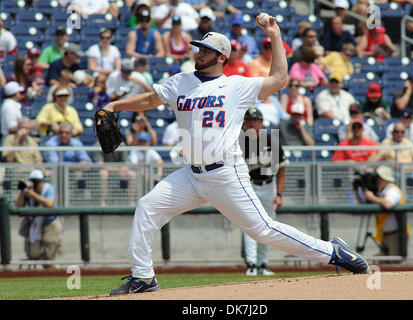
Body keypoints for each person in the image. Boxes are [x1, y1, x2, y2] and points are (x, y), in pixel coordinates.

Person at [102, 18, 368, 295]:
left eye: (205, 50)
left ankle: (334, 253)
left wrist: (275, 36)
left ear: (221, 57)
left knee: (263, 230)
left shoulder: (236, 87)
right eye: (198, 49)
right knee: (147, 207)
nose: (198, 53)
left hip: (225, 173)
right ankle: (143, 276)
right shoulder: (180, 82)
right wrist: (114, 106)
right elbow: (149, 100)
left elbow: (279, 79)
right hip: (191, 175)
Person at [240, 107, 288, 276]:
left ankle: (262, 264)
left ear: (261, 122)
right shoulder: (239, 141)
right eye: (249, 120)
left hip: (269, 186)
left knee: (269, 225)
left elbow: (282, 170)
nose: (252, 123)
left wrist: (279, 194)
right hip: (250, 186)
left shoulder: (271, 140)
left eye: (255, 120)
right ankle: (251, 264)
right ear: (244, 123)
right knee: (250, 224)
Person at [369, 122, 413, 203]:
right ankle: (402, 202)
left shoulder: (408, 142)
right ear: (392, 132)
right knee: (399, 177)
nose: (399, 134)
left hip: (409, 170)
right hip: (393, 171)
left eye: (402, 132)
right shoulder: (386, 142)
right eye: (397, 131)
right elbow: (379, 158)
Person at [353, 166, 410, 257]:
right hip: (384, 234)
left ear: (387, 179)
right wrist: (357, 192)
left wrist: (372, 197)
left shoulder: (392, 189)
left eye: (381, 178)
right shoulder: (380, 191)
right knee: (384, 262)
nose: (378, 180)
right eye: (377, 178)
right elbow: (363, 205)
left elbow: (388, 204)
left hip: (395, 234)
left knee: (394, 263)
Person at [16, 169, 62, 265]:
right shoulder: (28, 191)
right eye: (33, 182)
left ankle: (50, 270)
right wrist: (22, 191)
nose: (35, 184)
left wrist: (32, 194)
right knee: (33, 254)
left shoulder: (47, 188)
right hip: (34, 223)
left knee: (49, 255)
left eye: (37, 182)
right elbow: (18, 206)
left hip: (49, 223)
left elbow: (49, 204)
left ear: (42, 181)